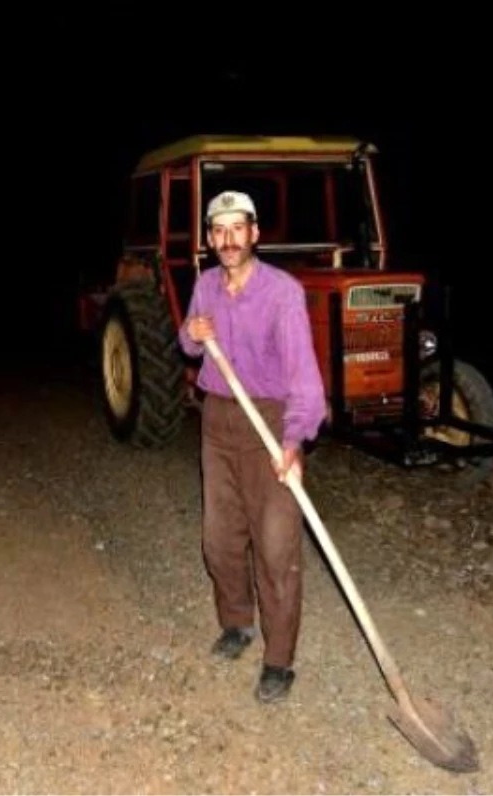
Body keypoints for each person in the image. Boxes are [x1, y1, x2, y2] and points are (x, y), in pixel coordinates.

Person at [178, 190, 328, 703]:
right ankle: (237, 624)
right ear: (209, 239)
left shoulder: (281, 293)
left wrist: (293, 440)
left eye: (237, 228)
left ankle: (279, 660)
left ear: (255, 233)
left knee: (276, 546)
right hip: (218, 421)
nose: (228, 239)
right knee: (220, 539)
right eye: (218, 231)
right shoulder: (204, 285)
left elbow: (305, 376)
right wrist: (192, 333)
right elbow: (189, 345)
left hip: (269, 421)